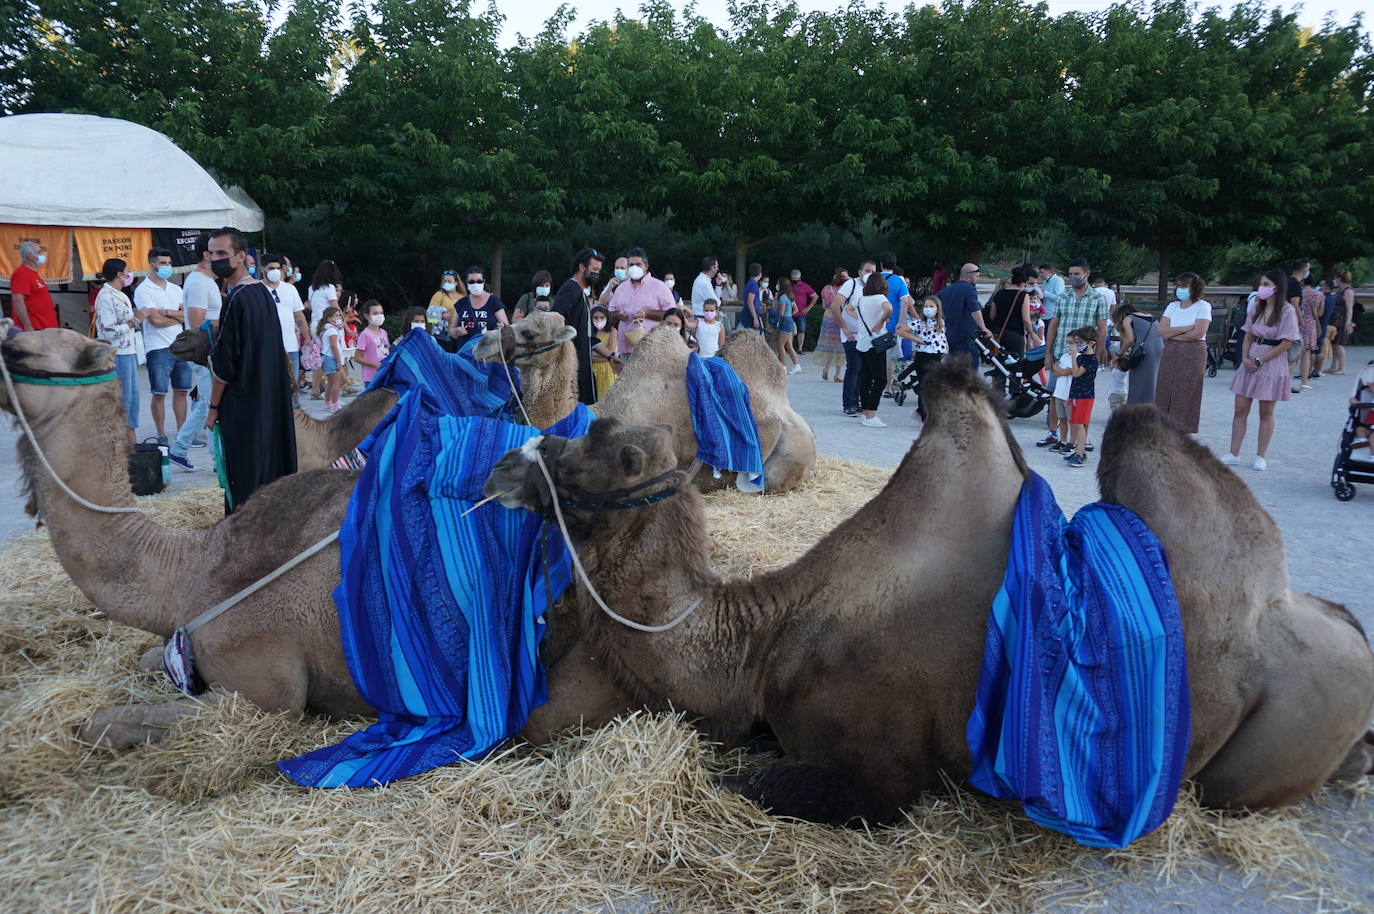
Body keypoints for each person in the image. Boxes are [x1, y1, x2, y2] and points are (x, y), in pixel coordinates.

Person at [205, 227, 296, 513]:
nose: (215, 259)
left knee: (244, 472)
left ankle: (243, 527)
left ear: (241, 256)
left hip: (244, 403)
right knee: (269, 467)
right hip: (269, 398)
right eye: (211, 254)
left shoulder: (237, 299)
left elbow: (224, 364)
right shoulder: (262, 293)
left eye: (222, 253)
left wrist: (213, 407)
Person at [1223, 269, 1300, 471]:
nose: (1261, 288)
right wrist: (1245, 358)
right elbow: (1247, 334)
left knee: (1266, 412)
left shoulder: (1287, 311)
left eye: (1266, 284)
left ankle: (1260, 456)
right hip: (1251, 357)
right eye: (1261, 284)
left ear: (1277, 287)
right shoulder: (1257, 306)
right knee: (1240, 409)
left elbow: (1286, 343)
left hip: (1271, 361)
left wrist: (1260, 360)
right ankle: (1234, 453)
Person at [1039, 258, 1109, 447]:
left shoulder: (1098, 299)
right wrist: (1048, 353)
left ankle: (1081, 439)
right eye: (1070, 274)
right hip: (1061, 354)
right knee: (1056, 395)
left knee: (1081, 398)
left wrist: (1098, 355)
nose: (1073, 277)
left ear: (1087, 274)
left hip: (1083, 357)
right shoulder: (1063, 297)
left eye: (1077, 274)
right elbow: (1053, 325)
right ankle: (1054, 434)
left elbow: (1102, 329)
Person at [135, 246, 190, 448]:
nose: (168, 266)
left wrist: (166, 312)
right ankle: (161, 434)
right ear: (152, 266)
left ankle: (182, 433)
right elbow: (155, 321)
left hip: (180, 345)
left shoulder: (176, 289)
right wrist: (176, 316)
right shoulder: (143, 290)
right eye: (163, 263)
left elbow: (187, 316)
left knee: (181, 390)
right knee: (159, 393)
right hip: (157, 347)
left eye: (169, 263)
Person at [551, 247, 620, 406]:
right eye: (594, 270)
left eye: (599, 271)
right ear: (582, 267)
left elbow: (589, 337)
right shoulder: (571, 289)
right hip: (570, 369)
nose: (597, 274)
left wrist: (610, 357)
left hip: (582, 367)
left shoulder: (581, 294)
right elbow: (554, 321)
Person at [93, 259, 144, 446]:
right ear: (120, 274)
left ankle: (132, 441)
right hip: (117, 353)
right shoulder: (106, 296)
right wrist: (134, 321)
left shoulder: (120, 294)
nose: (130, 274)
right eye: (128, 271)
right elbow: (108, 331)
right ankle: (121, 443)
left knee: (133, 398)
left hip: (128, 351)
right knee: (122, 399)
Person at [1153, 272, 1212, 433]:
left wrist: (1172, 332)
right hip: (1171, 350)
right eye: (1179, 285)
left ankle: (1182, 429)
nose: (1181, 289)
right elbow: (1161, 332)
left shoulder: (1203, 306)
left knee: (1186, 390)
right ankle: (1162, 427)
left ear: (1195, 287)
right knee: (1164, 388)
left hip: (1193, 352)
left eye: (1185, 286)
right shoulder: (1172, 306)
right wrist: (1186, 328)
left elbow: (1198, 333)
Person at [845, 271, 893, 428]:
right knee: (880, 379)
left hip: (862, 343)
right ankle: (871, 413)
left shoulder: (861, 298)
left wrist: (861, 319)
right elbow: (889, 308)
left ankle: (866, 413)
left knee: (865, 378)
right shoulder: (880, 298)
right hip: (875, 344)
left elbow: (848, 309)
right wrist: (880, 321)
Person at [609, 247, 675, 356]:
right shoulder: (621, 288)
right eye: (631, 265)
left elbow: (672, 315)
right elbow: (609, 314)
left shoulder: (659, 286)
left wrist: (646, 314)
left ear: (646, 266)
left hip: (652, 349)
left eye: (638, 264)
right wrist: (618, 315)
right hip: (626, 350)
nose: (634, 268)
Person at [262, 253, 309, 395]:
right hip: (267, 347)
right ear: (262, 269)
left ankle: (292, 409)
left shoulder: (290, 289)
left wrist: (307, 338)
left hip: (290, 346)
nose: (275, 271)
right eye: (271, 268)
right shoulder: (256, 289)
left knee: (292, 389)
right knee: (270, 389)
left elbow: (299, 315)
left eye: (278, 268)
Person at [895, 295, 948, 419]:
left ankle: (922, 412)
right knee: (925, 386)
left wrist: (946, 347)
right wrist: (917, 340)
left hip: (937, 356)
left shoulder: (940, 322)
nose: (928, 309)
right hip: (924, 356)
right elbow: (901, 331)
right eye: (926, 306)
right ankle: (923, 415)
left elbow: (942, 336)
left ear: (938, 308)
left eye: (931, 306)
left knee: (934, 386)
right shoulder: (920, 322)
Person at [1053, 327, 1099, 468]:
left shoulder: (1091, 360)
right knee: (1076, 423)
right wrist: (1071, 396)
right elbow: (1075, 380)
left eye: (1080, 343)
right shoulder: (1081, 357)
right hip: (1077, 396)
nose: (1076, 346)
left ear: (1091, 343)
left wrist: (1073, 356)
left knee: (1079, 425)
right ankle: (1079, 452)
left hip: (1085, 397)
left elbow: (1076, 373)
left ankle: (1080, 454)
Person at [833, 260, 874, 416]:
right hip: (851, 335)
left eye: (873, 271)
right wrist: (844, 327)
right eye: (867, 270)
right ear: (860, 272)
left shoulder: (873, 288)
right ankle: (849, 403)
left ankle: (857, 401)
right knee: (854, 367)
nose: (870, 274)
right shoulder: (851, 284)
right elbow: (835, 306)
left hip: (866, 336)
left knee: (863, 370)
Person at [936, 262, 990, 373]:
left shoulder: (946, 290)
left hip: (950, 336)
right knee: (970, 373)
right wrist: (983, 328)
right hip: (966, 337)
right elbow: (975, 309)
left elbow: (934, 303)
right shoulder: (970, 289)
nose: (977, 279)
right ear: (969, 275)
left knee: (954, 371)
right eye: (977, 276)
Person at [1110, 303, 1162, 406]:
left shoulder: (1128, 319)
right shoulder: (1149, 316)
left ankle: (1135, 407)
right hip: (1159, 348)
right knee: (1151, 380)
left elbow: (1130, 339)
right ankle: (1150, 404)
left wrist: (1119, 354)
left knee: (1136, 379)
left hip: (1144, 351)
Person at [878, 252, 914, 392]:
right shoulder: (899, 281)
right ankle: (888, 387)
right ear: (894, 264)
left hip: (874, 325)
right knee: (890, 358)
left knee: (874, 355)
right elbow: (905, 301)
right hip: (893, 325)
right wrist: (901, 321)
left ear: (881, 264)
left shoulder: (874, 279)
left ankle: (874, 384)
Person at [9, 241, 59, 331]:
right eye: (39, 252)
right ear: (30, 256)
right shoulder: (22, 273)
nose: (43, 254)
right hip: (35, 330)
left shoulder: (33, 274)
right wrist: (28, 326)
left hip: (45, 329)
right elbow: (17, 301)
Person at [450, 265, 509, 343]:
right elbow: (451, 330)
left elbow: (506, 329)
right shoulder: (461, 303)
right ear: (466, 282)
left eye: (479, 281)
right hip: (465, 348)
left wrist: (491, 334)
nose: (475, 284)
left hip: (488, 347)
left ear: (484, 281)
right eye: (471, 282)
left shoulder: (494, 301)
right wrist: (457, 332)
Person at [815, 269, 847, 382]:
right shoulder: (844, 289)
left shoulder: (826, 289)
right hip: (839, 317)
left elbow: (824, 305)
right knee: (840, 346)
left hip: (828, 317)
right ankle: (837, 374)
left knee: (829, 345)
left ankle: (826, 369)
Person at [1297, 275, 1325, 390]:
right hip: (1310, 325)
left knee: (1292, 353)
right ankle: (1304, 381)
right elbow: (1320, 313)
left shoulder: (1297, 293)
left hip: (1296, 323)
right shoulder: (1319, 295)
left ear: (1302, 281)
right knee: (1306, 354)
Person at [426, 270, 465, 351]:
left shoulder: (463, 296)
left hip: (459, 333)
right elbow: (428, 318)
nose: (446, 283)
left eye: (449, 281)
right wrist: (441, 317)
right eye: (445, 281)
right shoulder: (439, 295)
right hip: (442, 335)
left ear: (456, 282)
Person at [317, 306, 346, 412]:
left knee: (332, 382)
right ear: (329, 318)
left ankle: (327, 402)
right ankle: (334, 404)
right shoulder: (332, 330)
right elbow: (334, 347)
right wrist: (338, 361)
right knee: (336, 383)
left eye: (340, 315)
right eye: (337, 315)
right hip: (331, 359)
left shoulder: (326, 328)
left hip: (327, 358)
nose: (339, 318)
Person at [356, 300, 390, 385]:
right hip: (371, 378)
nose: (379, 316)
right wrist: (374, 365)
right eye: (375, 313)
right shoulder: (365, 334)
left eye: (381, 313)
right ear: (367, 316)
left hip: (385, 375)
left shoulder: (384, 333)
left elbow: (387, 351)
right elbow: (357, 358)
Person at [771, 277, 801, 373]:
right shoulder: (790, 296)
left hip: (784, 322)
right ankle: (797, 366)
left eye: (778, 284)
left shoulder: (783, 297)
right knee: (789, 346)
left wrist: (774, 316)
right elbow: (796, 310)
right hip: (790, 321)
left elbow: (781, 313)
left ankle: (783, 367)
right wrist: (789, 315)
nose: (777, 285)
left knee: (780, 346)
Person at [1330, 271, 1355, 375]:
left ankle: (1342, 368)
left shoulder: (1348, 291)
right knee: (1334, 344)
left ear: (1340, 279)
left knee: (1339, 344)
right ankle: (1334, 366)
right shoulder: (1340, 290)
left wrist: (1348, 322)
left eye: (1336, 278)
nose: (1335, 280)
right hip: (1336, 321)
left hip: (1342, 320)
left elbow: (1350, 308)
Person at [790, 269, 818, 352]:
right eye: (794, 279)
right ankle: (790, 348)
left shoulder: (804, 286)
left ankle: (800, 348)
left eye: (797, 278)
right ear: (791, 277)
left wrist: (808, 307)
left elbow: (815, 296)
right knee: (789, 330)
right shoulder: (788, 285)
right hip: (789, 311)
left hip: (801, 312)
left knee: (801, 330)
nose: (795, 280)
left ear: (800, 277)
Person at [309, 261, 342, 330]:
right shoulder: (330, 287)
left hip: (314, 325)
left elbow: (311, 307)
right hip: (326, 325)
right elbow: (336, 308)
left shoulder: (311, 288)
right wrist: (343, 323)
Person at [739, 263, 764, 333]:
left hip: (747, 313)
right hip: (750, 315)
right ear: (759, 273)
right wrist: (755, 318)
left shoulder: (749, 283)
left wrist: (760, 303)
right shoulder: (754, 285)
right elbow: (750, 302)